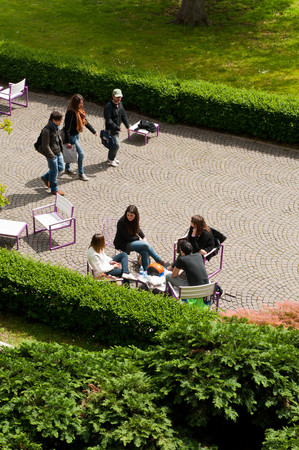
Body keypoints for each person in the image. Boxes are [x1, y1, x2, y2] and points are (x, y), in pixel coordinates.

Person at [113, 205, 165, 271]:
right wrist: (139, 239)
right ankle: (158, 260)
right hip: (123, 243)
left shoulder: (134, 220)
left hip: (130, 241)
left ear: (135, 215)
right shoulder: (121, 222)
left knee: (144, 252)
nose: (129, 217)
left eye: (131, 215)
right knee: (145, 245)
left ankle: (146, 271)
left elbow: (138, 229)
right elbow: (126, 237)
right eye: (128, 215)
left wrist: (143, 236)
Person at [63, 94, 98, 181]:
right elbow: (67, 128)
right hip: (71, 136)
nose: (81, 105)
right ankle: (81, 173)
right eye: (80, 103)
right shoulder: (71, 113)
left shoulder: (79, 110)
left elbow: (85, 121)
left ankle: (67, 168)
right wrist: (67, 142)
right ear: (75, 103)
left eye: (82, 103)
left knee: (71, 151)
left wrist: (93, 131)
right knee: (81, 154)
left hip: (76, 134)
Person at [40, 110, 65, 196]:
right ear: (54, 120)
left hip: (58, 151)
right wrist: (52, 156)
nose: (61, 121)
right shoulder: (46, 130)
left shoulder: (55, 127)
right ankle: (54, 189)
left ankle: (46, 177)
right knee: (54, 170)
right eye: (59, 120)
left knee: (61, 168)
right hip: (52, 154)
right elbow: (45, 146)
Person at [104, 88, 130, 167]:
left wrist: (127, 126)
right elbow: (108, 120)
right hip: (111, 130)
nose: (119, 99)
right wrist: (117, 128)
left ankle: (111, 158)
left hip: (117, 129)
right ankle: (111, 160)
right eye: (117, 97)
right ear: (113, 96)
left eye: (120, 97)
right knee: (116, 145)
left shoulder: (120, 104)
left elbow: (123, 115)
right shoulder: (108, 106)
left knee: (113, 145)